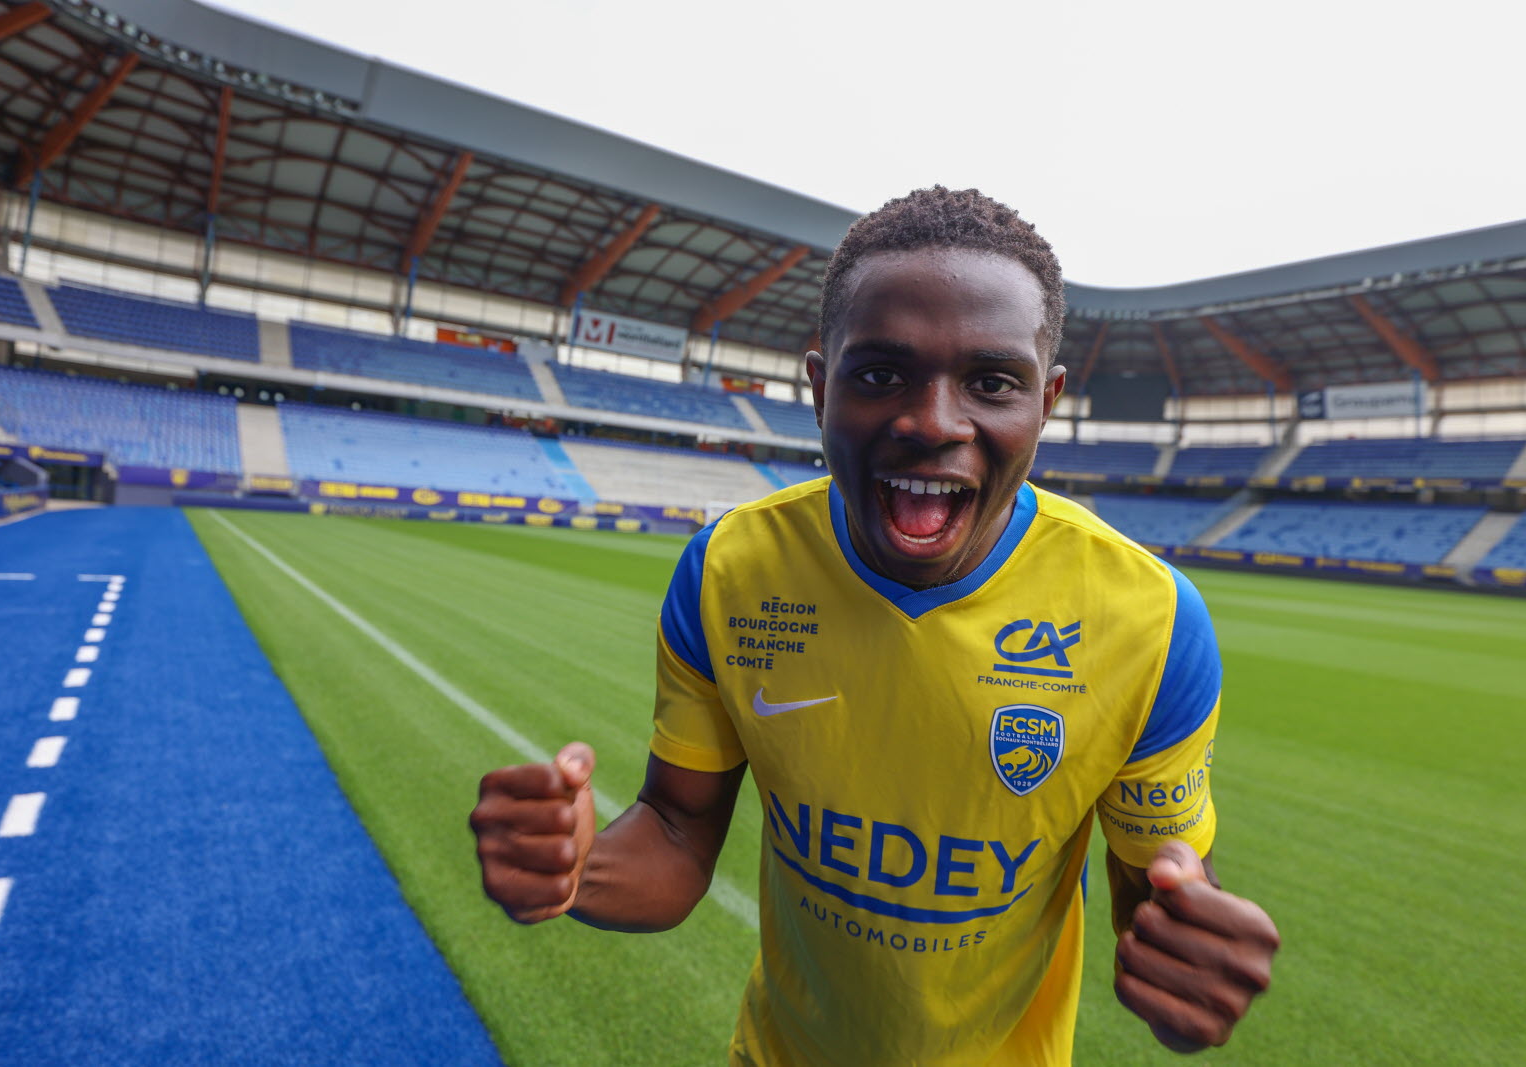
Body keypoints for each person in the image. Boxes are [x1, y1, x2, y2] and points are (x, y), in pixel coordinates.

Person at [471, 186, 1279, 1065]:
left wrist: (1186, 955)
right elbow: (675, 829)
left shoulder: (1150, 620)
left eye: (991, 382)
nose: (932, 422)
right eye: (882, 374)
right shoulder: (731, 572)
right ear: (820, 389)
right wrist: (574, 867)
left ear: (1045, 403)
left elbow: (1153, 896)